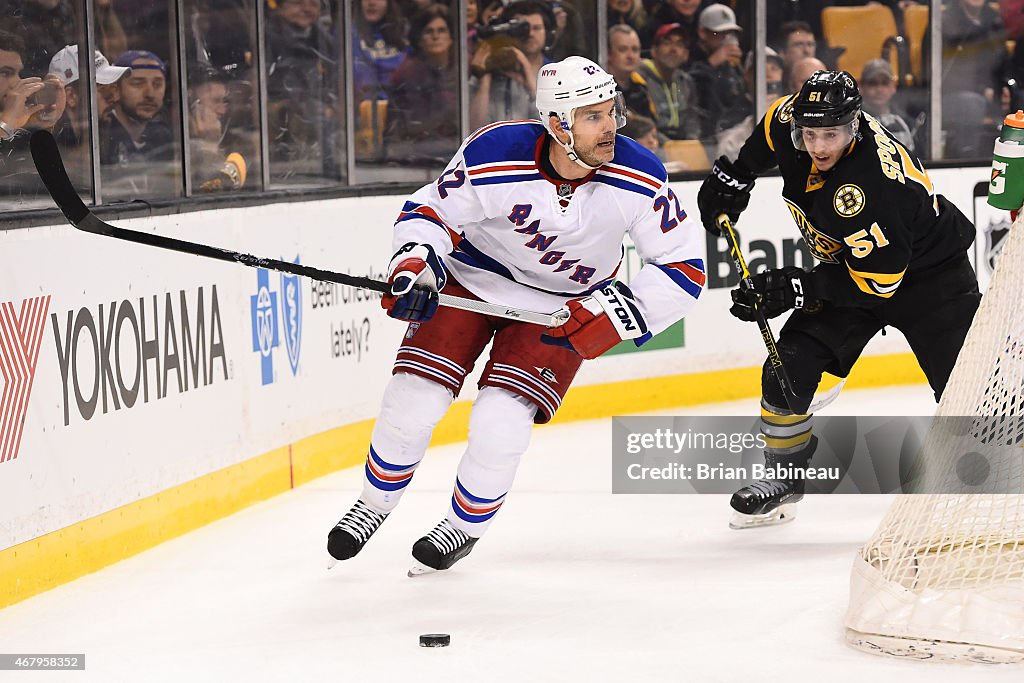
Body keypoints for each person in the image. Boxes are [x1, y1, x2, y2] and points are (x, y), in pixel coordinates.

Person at [327, 56, 706, 573]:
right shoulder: (495, 151)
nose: (611, 126)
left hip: (559, 308)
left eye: (611, 111)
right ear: (556, 124)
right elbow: (431, 212)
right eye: (592, 116)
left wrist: (620, 314)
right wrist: (416, 263)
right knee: (413, 401)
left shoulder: (641, 174)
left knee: (500, 421)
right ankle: (373, 505)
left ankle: (463, 526)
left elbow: (682, 265)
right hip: (473, 282)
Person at [696, 70, 980, 529]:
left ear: (854, 123)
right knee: (787, 366)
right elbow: (771, 129)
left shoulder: (872, 186)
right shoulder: (794, 121)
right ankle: (784, 479)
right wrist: (737, 174)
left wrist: (797, 288)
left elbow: (879, 283)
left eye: (831, 134)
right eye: (810, 134)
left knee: (970, 393)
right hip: (852, 266)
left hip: (931, 280)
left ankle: (990, 471)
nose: (819, 146)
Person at [384, 4, 459, 163]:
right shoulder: (407, 74)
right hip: (417, 154)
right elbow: (412, 128)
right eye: (429, 31)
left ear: (452, 37)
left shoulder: (463, 70)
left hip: (456, 152)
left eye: (442, 30)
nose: (435, 36)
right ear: (419, 39)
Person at [0, 29, 67, 198]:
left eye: (17, 73)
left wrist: (51, 120)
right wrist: (5, 125)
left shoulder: (19, 124)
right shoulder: (8, 123)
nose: (17, 82)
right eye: (5, 73)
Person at [469, 0, 552, 128]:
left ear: (548, 33)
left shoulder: (555, 73)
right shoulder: (490, 71)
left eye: (537, 28)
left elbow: (556, 129)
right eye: (521, 29)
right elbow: (473, 129)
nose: (530, 34)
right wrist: (485, 78)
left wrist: (530, 83)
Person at [636, 22, 702, 141]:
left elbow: (692, 119)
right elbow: (643, 123)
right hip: (653, 144)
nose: (673, 49)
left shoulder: (686, 82)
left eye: (679, 44)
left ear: (686, 55)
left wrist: (692, 141)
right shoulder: (640, 79)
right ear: (654, 51)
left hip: (682, 146)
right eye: (667, 42)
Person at [859, 59, 914, 151]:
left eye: (884, 83)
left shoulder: (906, 122)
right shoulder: (853, 123)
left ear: (893, 86)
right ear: (861, 86)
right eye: (873, 83)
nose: (879, 89)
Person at [606, 24, 656, 120]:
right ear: (608, 53)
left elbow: (651, 125)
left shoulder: (641, 87)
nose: (630, 56)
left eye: (635, 49)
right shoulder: (599, 88)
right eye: (623, 49)